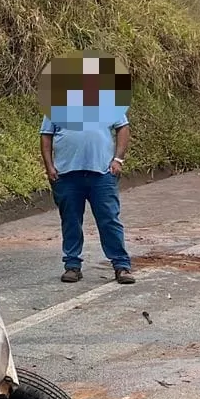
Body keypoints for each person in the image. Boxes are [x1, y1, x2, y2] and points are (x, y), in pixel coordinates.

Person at [37, 53, 134, 284]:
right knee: (70, 220)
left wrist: (118, 160)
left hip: (102, 173)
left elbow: (123, 128)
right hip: (67, 174)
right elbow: (46, 136)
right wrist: (50, 166)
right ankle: (72, 265)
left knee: (109, 219)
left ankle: (121, 265)